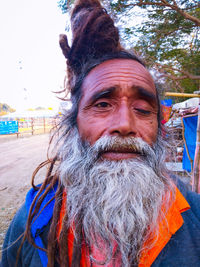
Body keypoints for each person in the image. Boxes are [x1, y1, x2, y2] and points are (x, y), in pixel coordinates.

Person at [1, 0, 200, 266]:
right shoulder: (33, 223)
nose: (125, 124)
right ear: (74, 125)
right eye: (103, 105)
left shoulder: (193, 217)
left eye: (142, 109)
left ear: (158, 128)